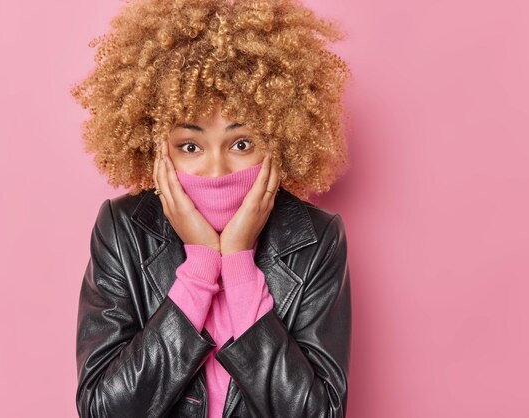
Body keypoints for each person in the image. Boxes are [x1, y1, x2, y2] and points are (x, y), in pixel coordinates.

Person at [70, 0, 352, 417]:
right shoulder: (123, 229)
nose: (216, 170)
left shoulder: (316, 237)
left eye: (241, 144)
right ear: (157, 147)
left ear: (278, 140)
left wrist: (237, 264)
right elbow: (103, 410)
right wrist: (201, 268)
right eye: (190, 146)